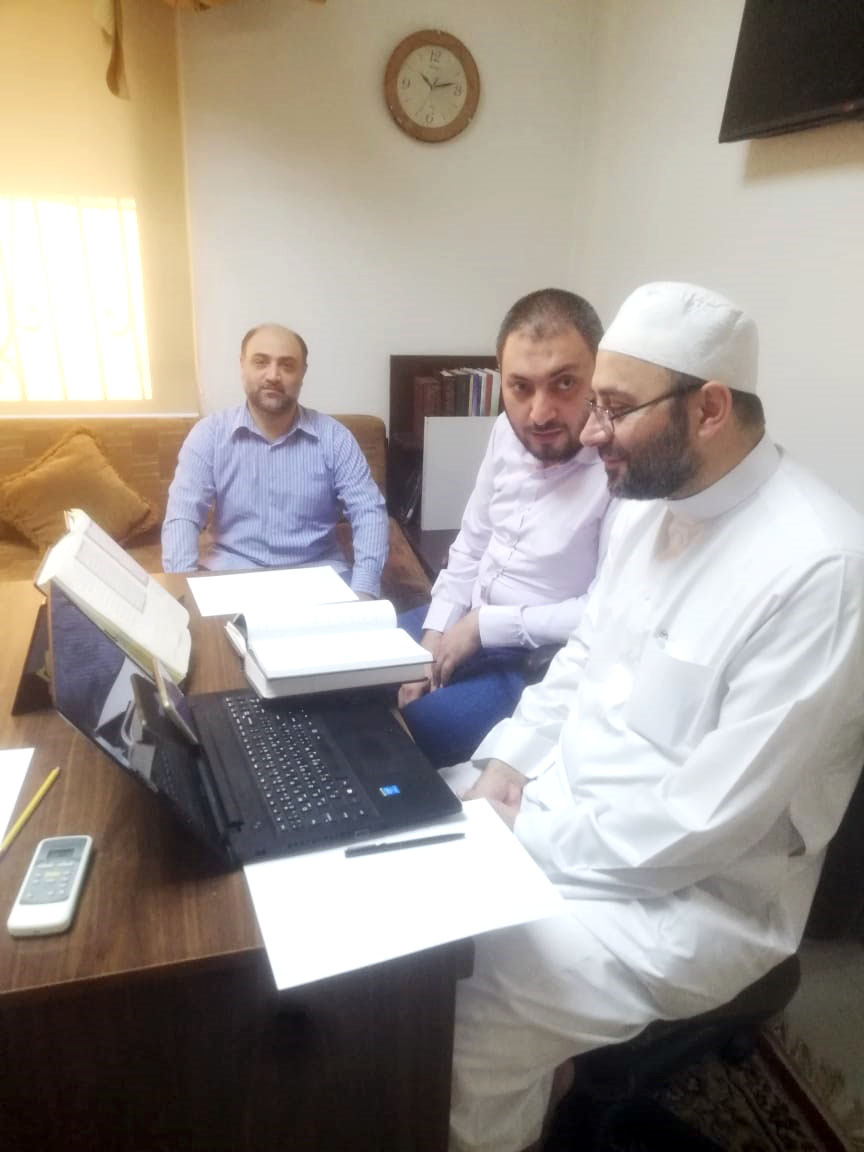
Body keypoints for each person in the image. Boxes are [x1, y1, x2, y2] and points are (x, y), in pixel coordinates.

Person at [446, 282, 864, 1152]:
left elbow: (708, 823)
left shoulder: (821, 568)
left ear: (708, 408)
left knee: (465, 1008)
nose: (588, 433)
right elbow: (579, 662)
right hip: (559, 816)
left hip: (691, 899)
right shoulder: (645, 508)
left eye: (612, 408)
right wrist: (505, 765)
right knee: (389, 862)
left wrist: (521, 838)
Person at [398, 289, 612, 767]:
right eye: (520, 387)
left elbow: (605, 612)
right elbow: (472, 542)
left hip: (536, 659)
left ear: (598, 376)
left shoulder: (619, 467)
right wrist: (435, 633)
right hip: (467, 616)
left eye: (564, 383)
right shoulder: (505, 431)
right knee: (354, 673)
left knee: (419, 732)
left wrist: (484, 627)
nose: (539, 413)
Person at [161, 324, 388, 598]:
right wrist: (181, 593)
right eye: (260, 362)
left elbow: (368, 512)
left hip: (317, 575)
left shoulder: (335, 438)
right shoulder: (209, 435)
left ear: (302, 373)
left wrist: (364, 591)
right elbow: (183, 515)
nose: (273, 376)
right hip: (230, 574)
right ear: (242, 366)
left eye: (287, 365)